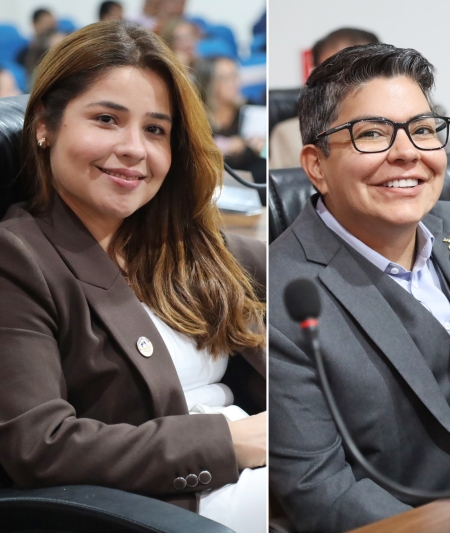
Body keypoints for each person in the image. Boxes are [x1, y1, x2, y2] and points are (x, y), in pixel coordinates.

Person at [0, 21, 266, 533]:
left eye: (155, 130)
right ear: (45, 125)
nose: (134, 148)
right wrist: (232, 441)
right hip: (170, 505)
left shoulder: (183, 241)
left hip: (266, 464)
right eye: (107, 119)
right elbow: (38, 446)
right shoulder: (18, 256)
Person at [269, 43, 450, 533]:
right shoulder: (280, 296)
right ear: (316, 165)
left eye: (423, 130)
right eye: (372, 133)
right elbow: (323, 493)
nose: (408, 153)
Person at [268, 28, 380, 169]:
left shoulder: (403, 124)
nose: (344, 81)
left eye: (357, 71)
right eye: (330, 72)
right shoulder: (289, 135)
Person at [194, 55, 266, 204]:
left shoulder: (251, 110)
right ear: (209, 82)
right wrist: (229, 147)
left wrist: (262, 149)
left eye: (235, 76)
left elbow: (268, 154)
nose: (234, 83)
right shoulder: (196, 117)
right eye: (226, 78)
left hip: (252, 190)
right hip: (210, 191)